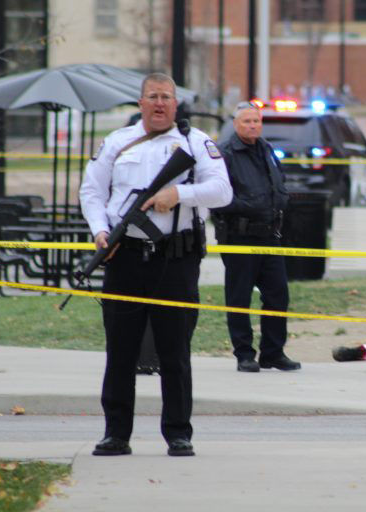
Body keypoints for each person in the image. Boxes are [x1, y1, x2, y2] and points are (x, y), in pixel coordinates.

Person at [79, 72, 232, 456]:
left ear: (175, 103)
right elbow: (92, 192)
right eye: (152, 96)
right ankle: (116, 433)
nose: (159, 103)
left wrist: (179, 193)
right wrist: (100, 231)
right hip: (124, 256)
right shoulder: (117, 142)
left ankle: (178, 433)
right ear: (140, 103)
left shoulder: (195, 143)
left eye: (166, 96)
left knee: (174, 350)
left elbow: (222, 191)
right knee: (121, 349)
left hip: (175, 259)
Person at [211, 101, 301, 373]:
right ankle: (244, 354)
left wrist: (281, 199)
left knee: (278, 295)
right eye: (246, 121)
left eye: (256, 121)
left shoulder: (266, 149)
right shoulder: (224, 153)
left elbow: (278, 182)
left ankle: (273, 353)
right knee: (239, 298)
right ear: (235, 125)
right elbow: (215, 197)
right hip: (240, 236)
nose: (252, 125)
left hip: (269, 236)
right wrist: (250, 206)